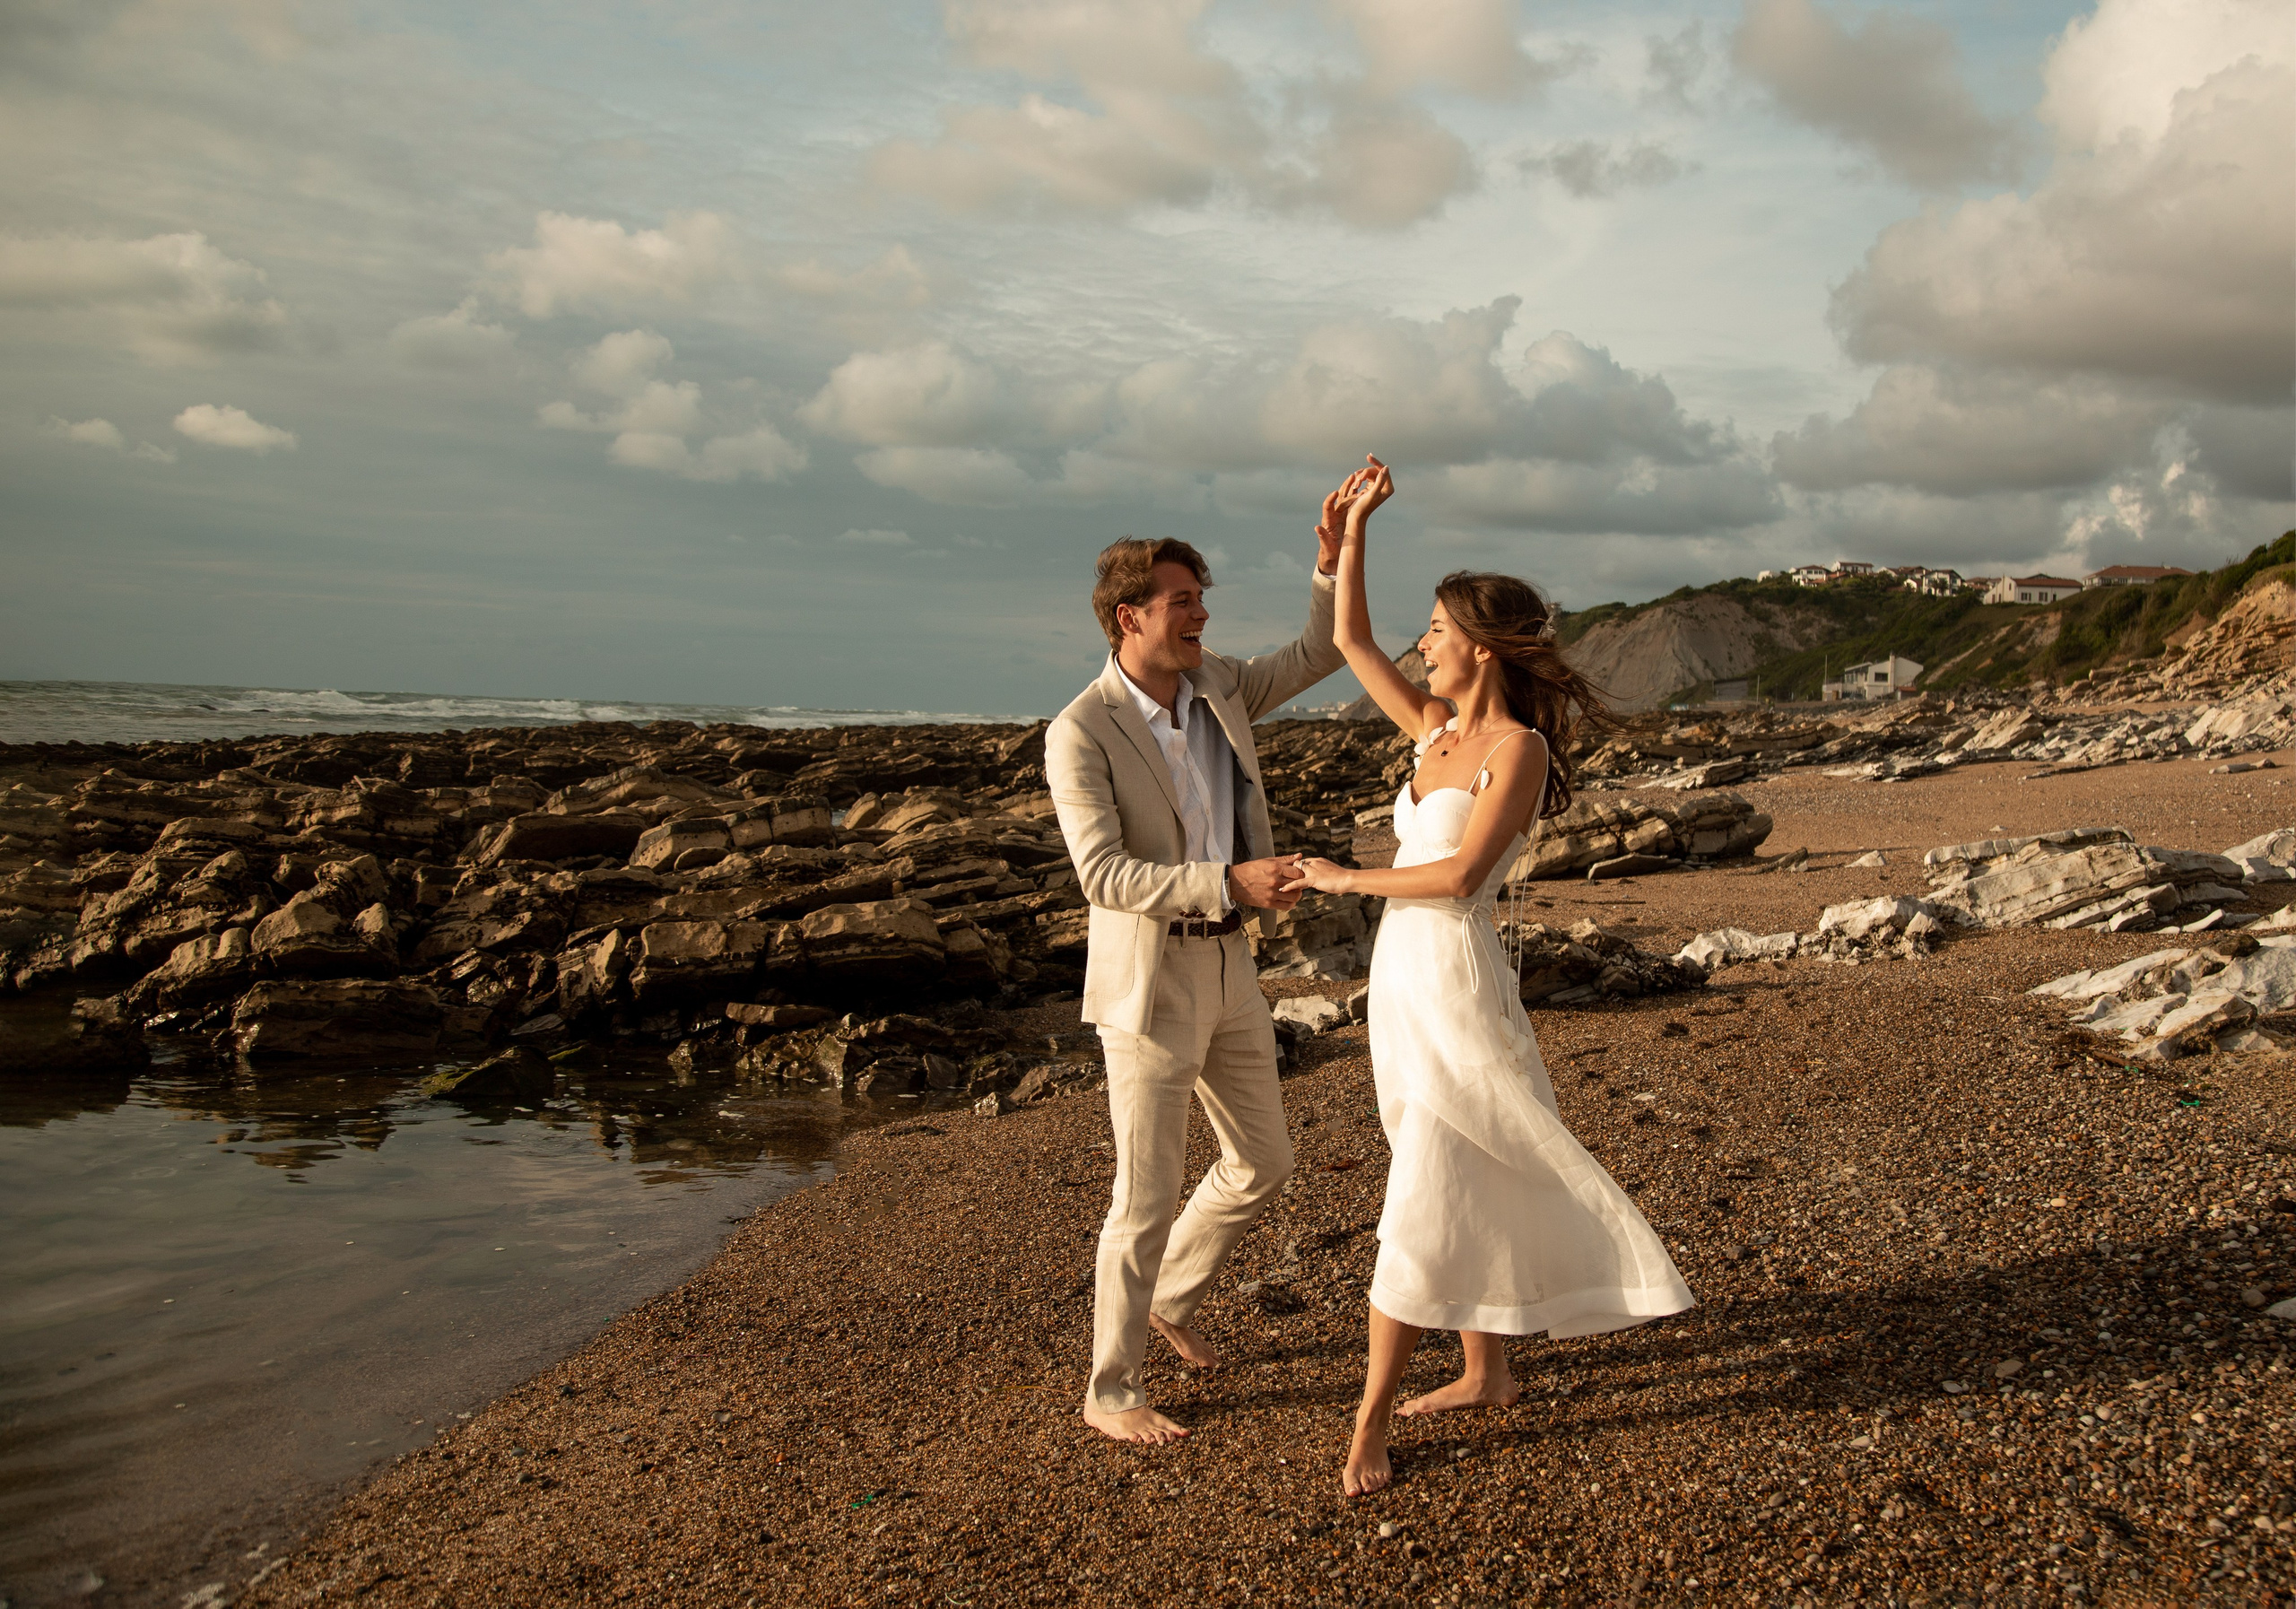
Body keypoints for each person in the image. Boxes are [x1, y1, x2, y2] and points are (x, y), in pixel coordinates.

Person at [1283, 457, 1694, 1496]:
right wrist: (1349, 535)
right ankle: (1487, 1370)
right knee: (1451, 1168)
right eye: (1423, 627)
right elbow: (1347, 640)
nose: (1421, 643)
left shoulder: (1515, 751)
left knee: (1422, 1188)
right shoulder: (1432, 731)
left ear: (1479, 644)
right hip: (1400, 988)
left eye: (1435, 627)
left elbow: (1462, 874)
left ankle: (1368, 1421)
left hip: (1455, 979)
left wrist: (1343, 875)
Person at [1045, 517, 1350, 1445]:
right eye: (1183, 603)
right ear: (1126, 616)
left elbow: (1316, 650)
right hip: (1147, 984)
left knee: (1265, 1160)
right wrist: (1228, 880)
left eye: (1200, 600)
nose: (1201, 616)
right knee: (1142, 1199)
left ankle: (1169, 1301)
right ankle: (1111, 1390)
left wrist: (1331, 562)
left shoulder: (1217, 684)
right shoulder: (1078, 731)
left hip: (1230, 963)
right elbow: (1103, 876)